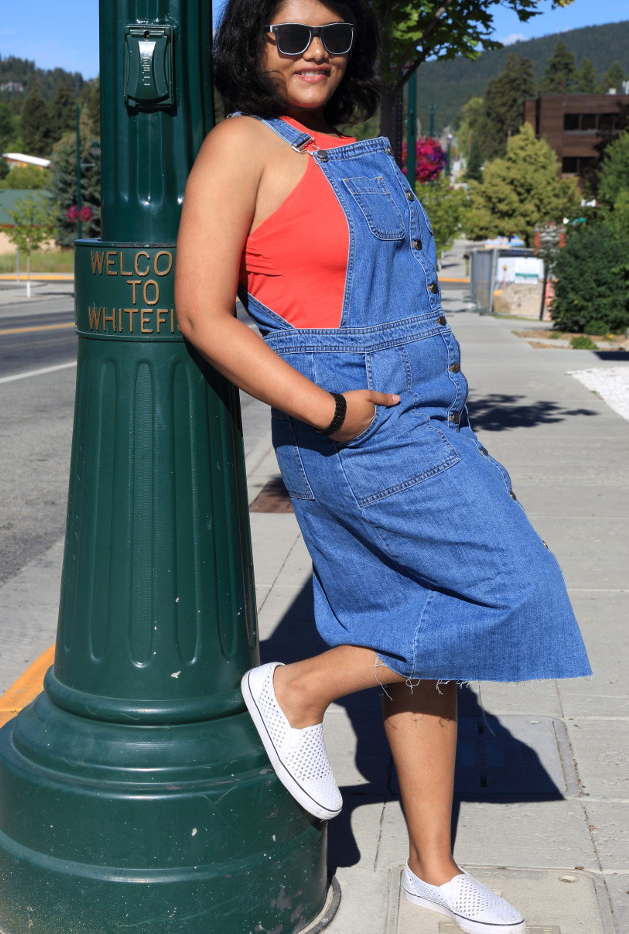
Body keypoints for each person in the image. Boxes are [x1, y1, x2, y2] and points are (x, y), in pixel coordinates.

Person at [175, 2, 591, 932]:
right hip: (357, 428)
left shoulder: (350, 146)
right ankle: (298, 689)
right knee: (515, 592)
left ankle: (433, 872)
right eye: (292, 35)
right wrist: (331, 412)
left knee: (423, 656)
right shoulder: (242, 144)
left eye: (333, 35)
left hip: (426, 408)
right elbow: (203, 314)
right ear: (253, 44)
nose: (315, 51)